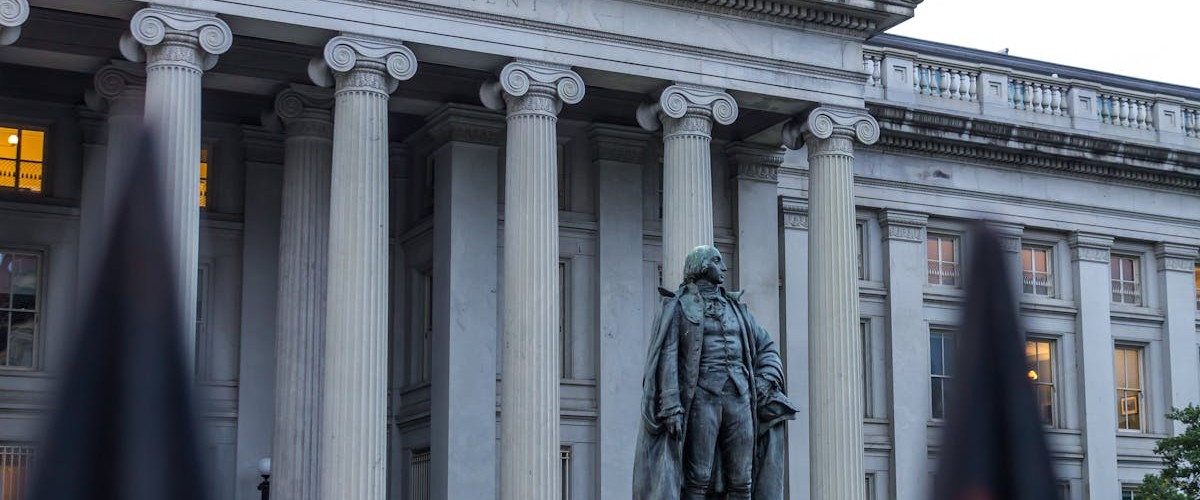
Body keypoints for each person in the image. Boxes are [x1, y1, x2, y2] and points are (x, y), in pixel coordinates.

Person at [633, 245, 798, 500]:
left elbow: (766, 347)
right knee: (698, 479)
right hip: (703, 398)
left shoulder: (737, 310)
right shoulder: (678, 306)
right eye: (717, 262)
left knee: (743, 479)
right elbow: (668, 355)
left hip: (740, 398)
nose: (723, 267)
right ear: (701, 266)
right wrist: (671, 404)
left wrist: (766, 379)